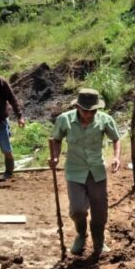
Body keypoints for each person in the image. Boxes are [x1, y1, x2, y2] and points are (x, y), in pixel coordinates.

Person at [49, 89, 121, 258]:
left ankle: (99, 242)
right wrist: (55, 156)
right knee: (78, 210)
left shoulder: (105, 120)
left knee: (100, 211)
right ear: (78, 107)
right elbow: (56, 139)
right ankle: (81, 234)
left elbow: (116, 138)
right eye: (85, 111)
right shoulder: (64, 120)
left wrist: (116, 157)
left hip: (97, 171)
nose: (89, 115)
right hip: (75, 171)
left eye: (93, 111)